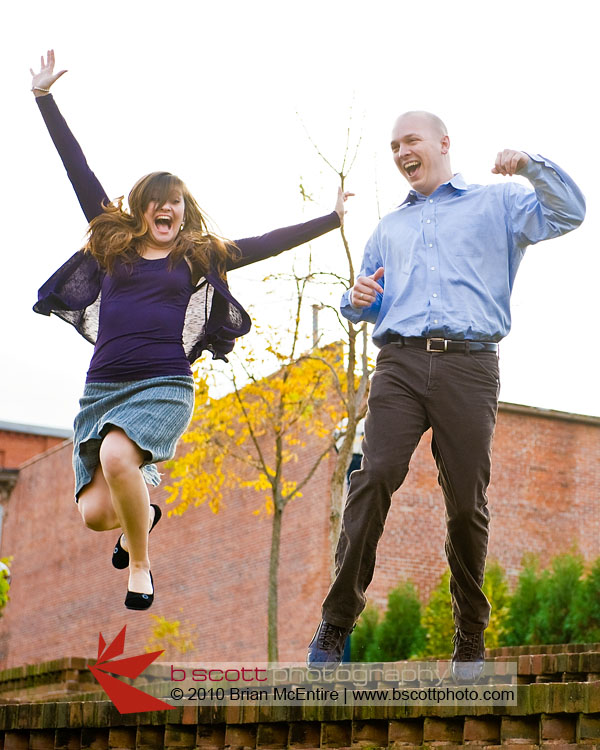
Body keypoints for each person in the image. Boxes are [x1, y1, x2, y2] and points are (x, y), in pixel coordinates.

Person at [31, 51, 351, 611]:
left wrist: (330, 219)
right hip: (103, 387)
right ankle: (142, 512)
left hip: (163, 385)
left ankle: (141, 565)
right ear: (140, 210)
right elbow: (78, 171)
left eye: (174, 203)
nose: (166, 210)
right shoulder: (113, 244)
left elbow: (265, 242)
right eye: (156, 203)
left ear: (183, 211)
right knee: (95, 515)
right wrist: (45, 100)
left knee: (114, 454)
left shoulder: (197, 256)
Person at [307, 110, 585, 680]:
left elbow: (569, 213)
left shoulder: (498, 204)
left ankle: (469, 636)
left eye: (410, 141)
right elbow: (364, 303)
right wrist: (356, 299)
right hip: (401, 364)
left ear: (442, 143)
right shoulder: (388, 229)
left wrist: (530, 167)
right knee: (374, 473)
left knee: (465, 504)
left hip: (470, 366)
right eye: (393, 147)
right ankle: (335, 624)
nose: (401, 152)